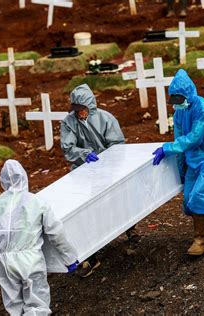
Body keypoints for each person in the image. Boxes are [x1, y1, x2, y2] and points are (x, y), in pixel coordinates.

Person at [60, 83, 140, 278]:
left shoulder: (105, 119)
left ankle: (130, 228)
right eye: (76, 110)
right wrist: (84, 155)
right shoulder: (69, 123)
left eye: (83, 110)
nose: (80, 114)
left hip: (109, 169)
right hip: (84, 171)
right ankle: (91, 250)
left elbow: (117, 144)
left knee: (118, 198)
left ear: (90, 107)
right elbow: (68, 147)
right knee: (88, 209)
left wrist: (106, 160)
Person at [152, 69, 204, 256]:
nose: (176, 103)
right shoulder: (180, 113)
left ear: (188, 95)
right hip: (195, 157)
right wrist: (181, 168)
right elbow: (180, 138)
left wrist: (167, 148)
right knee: (189, 200)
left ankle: (200, 241)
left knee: (198, 195)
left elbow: (194, 138)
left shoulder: (203, 110)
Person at [0, 159, 79, 315]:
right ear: (24, 176)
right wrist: (69, 257)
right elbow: (55, 231)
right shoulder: (35, 201)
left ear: (3, 180)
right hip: (28, 260)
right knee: (37, 304)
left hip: (1, 261)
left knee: (14, 306)